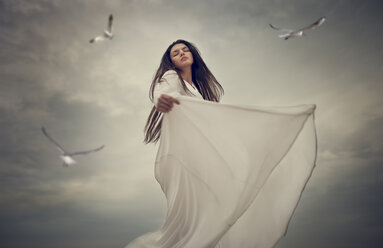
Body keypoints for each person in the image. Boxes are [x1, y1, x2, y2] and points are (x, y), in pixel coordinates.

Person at [125, 40, 317, 248]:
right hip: (187, 160)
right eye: (175, 53)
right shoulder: (171, 77)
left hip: (203, 159)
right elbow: (165, 92)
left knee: (215, 214)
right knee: (193, 219)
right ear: (170, 62)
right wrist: (163, 100)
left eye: (185, 50)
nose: (181, 54)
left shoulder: (197, 90)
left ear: (193, 54)